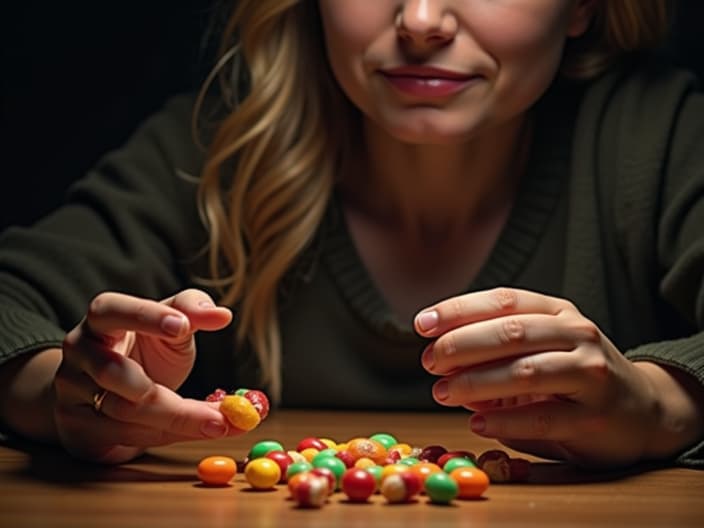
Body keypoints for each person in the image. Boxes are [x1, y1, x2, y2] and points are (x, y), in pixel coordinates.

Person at [0, 0, 702, 469]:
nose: (423, 20)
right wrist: (64, 397)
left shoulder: (661, 135)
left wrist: (660, 404)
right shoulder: (220, 148)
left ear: (581, 5)